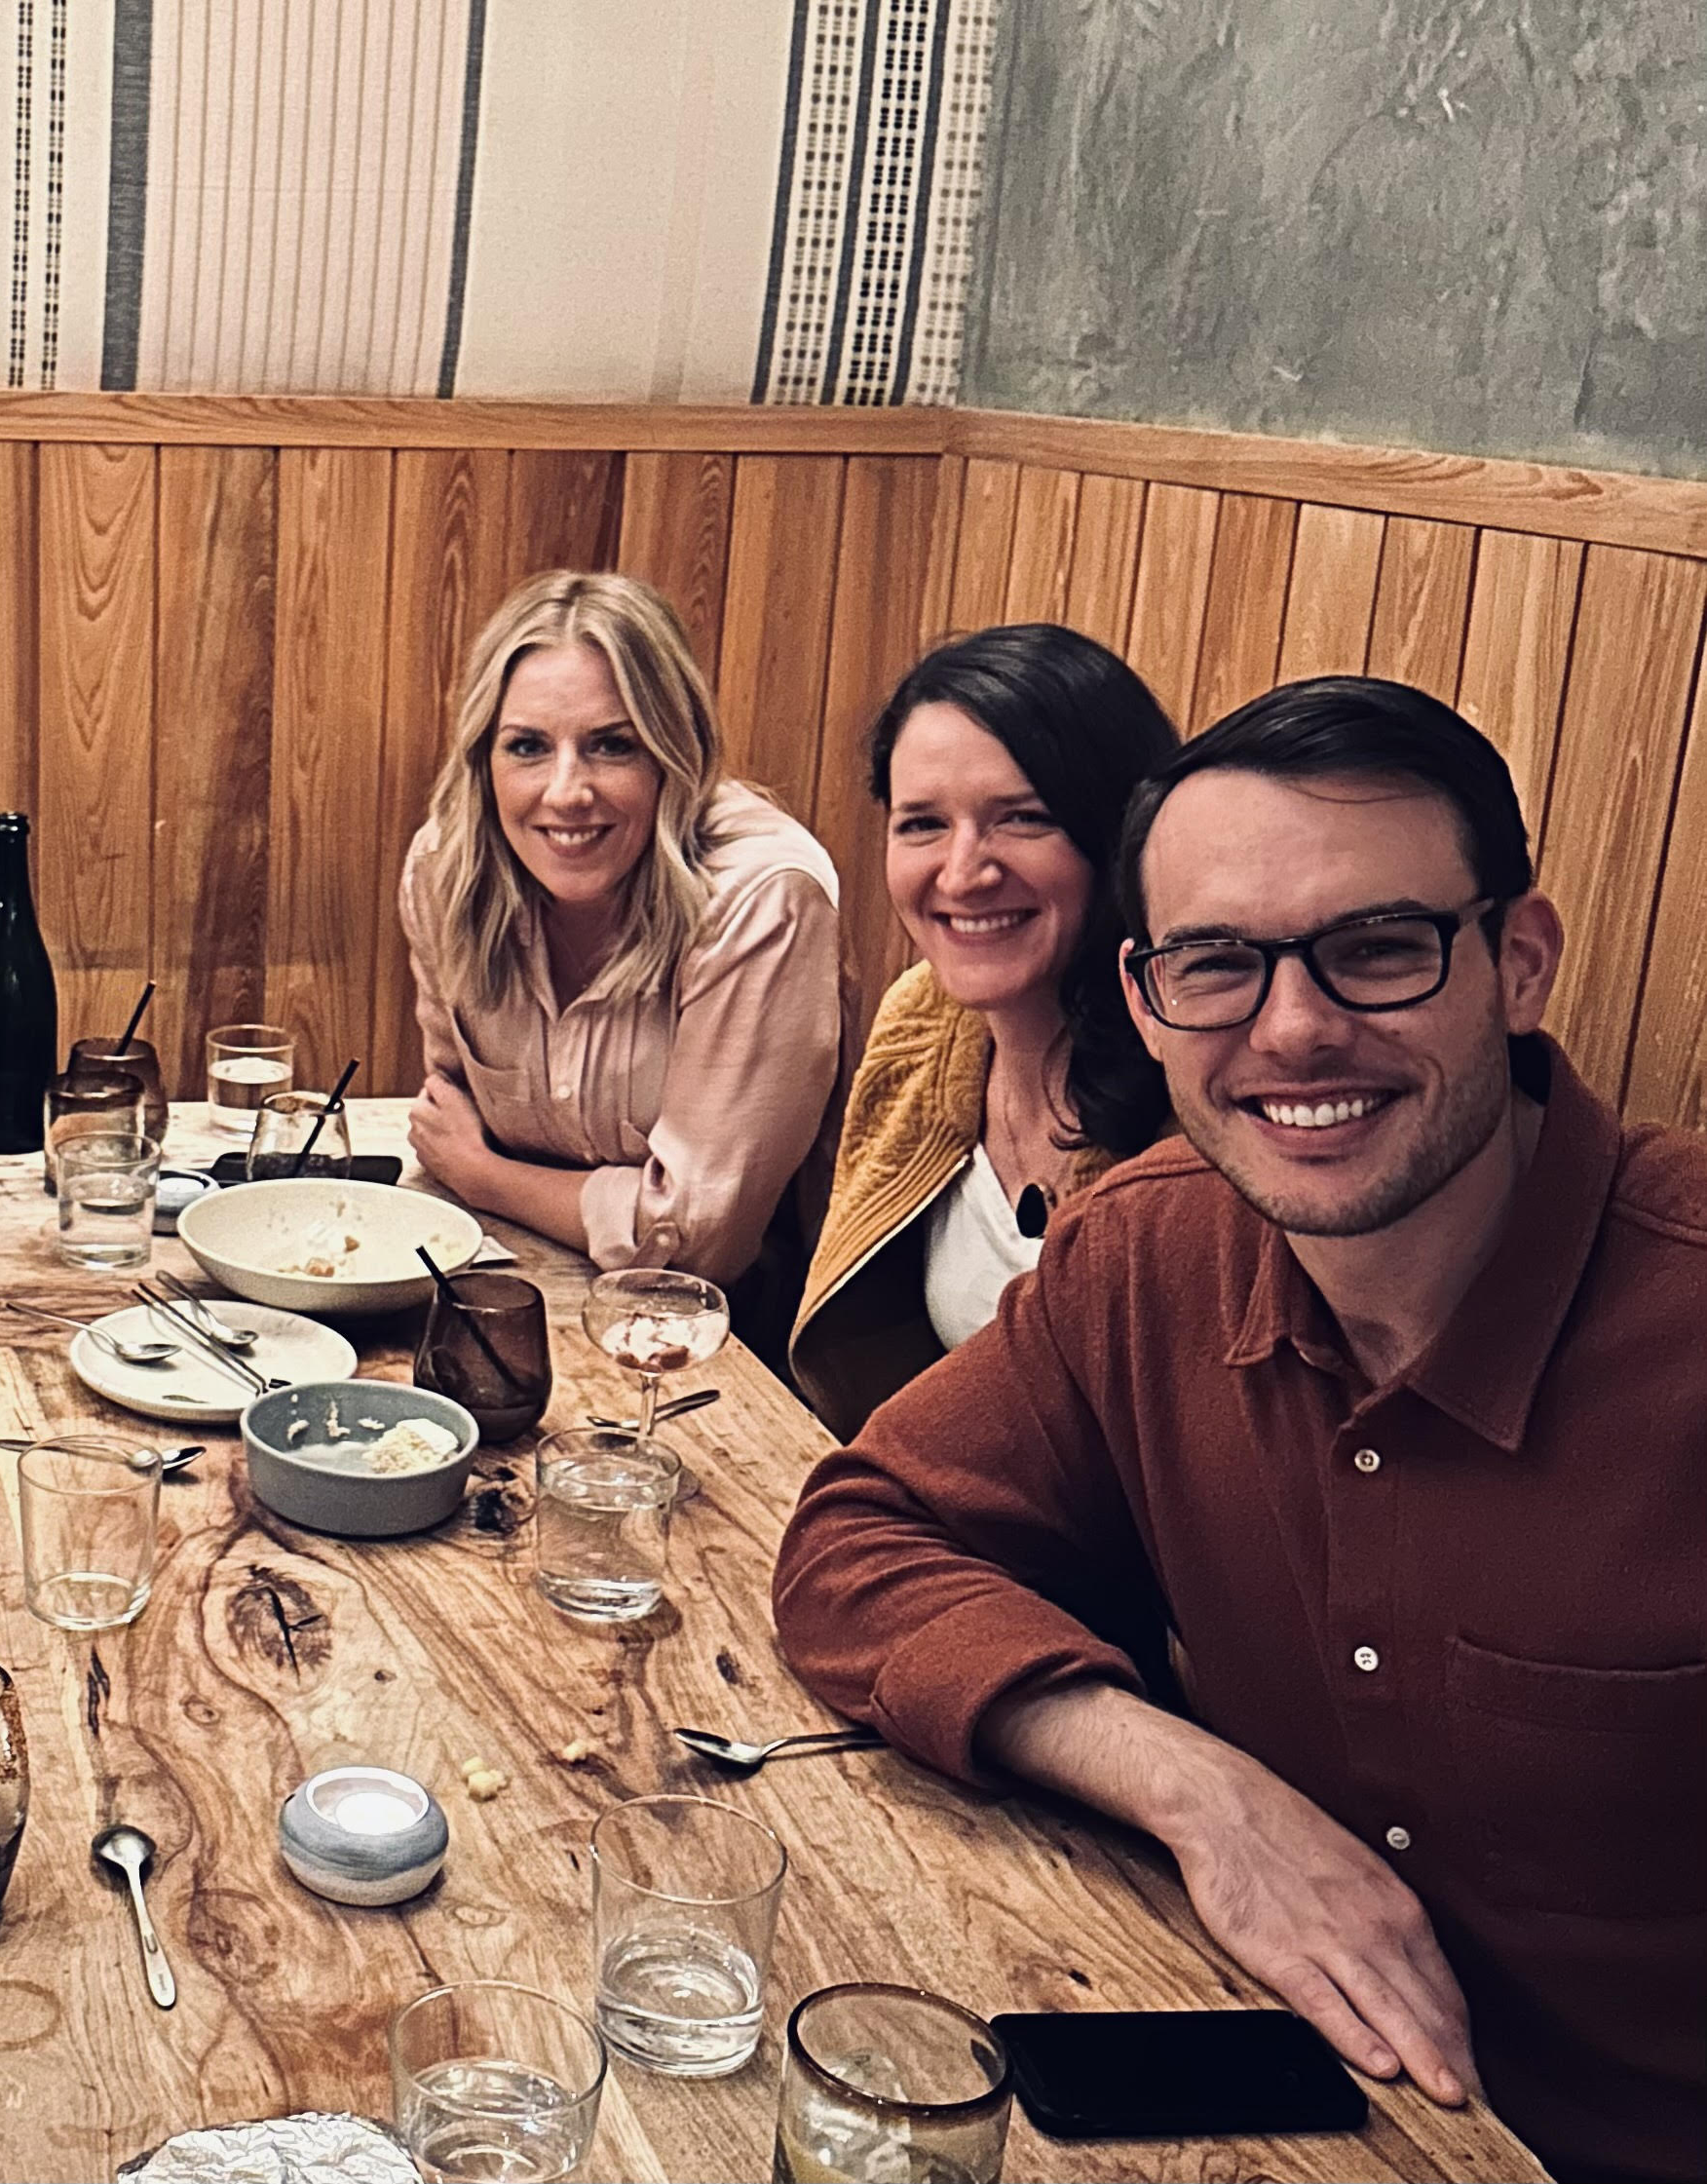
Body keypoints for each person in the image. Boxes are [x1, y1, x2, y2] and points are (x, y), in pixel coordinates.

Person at [773, 676, 1706, 2183]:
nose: (1293, 1029)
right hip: (1259, 2112)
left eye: (1377, 949)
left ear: (1516, 962)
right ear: (1144, 1000)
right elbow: (852, 1541)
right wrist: (1201, 1791)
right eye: (1215, 964)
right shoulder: (1147, 1253)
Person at [398, 571, 843, 1360]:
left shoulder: (761, 898)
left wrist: (486, 1176)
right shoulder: (448, 869)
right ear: (484, 759)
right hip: (517, 1299)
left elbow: (700, 1248)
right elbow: (448, 1117)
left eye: (612, 744)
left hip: (724, 1347)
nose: (567, 792)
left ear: (677, 754)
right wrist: (482, 1171)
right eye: (528, 747)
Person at [789, 624, 1178, 1436]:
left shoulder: (1195, 1085)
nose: (964, 873)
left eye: (1023, 818)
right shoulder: (923, 1017)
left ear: (1121, 836)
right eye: (923, 824)